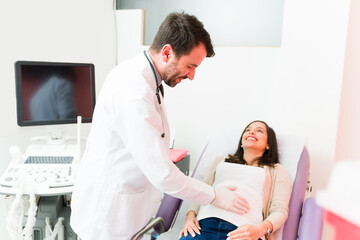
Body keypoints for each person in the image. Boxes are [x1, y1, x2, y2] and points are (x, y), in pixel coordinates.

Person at [70, 12, 249, 240]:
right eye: (190, 66)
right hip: (108, 217)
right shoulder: (132, 90)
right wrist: (216, 196)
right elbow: (163, 175)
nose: (192, 76)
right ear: (167, 52)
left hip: (127, 212)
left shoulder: (149, 82)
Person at [179, 120, 292, 240]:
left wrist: (260, 230)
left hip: (244, 232)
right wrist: (190, 217)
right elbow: (202, 190)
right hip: (203, 226)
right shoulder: (220, 161)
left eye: (259, 130)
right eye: (248, 130)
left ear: (268, 144)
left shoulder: (276, 170)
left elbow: (280, 210)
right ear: (242, 142)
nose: (251, 132)